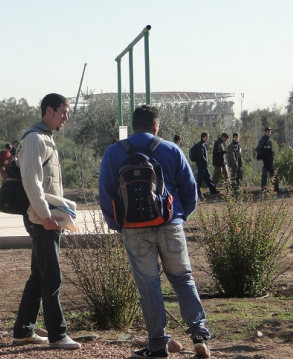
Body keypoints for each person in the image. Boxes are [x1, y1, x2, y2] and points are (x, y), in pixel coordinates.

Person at [99, 105, 212, 359]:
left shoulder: (114, 152)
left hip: (135, 230)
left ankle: (158, 345)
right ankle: (199, 335)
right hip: (170, 224)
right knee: (183, 279)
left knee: (149, 286)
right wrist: (179, 217)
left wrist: (120, 224)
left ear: (133, 125)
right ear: (155, 126)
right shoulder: (171, 149)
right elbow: (190, 190)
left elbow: (105, 194)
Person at [12, 93, 80, 350]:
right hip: (42, 220)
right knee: (51, 276)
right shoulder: (34, 140)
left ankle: (23, 331)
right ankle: (58, 334)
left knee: (39, 275)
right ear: (48, 110)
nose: (66, 117)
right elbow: (33, 182)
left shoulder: (46, 139)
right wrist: (46, 215)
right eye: (63, 111)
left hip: (46, 218)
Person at [193, 132, 220, 197]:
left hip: (203, 165)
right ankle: (196, 192)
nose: (207, 138)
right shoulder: (201, 145)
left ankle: (213, 190)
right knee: (200, 179)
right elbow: (201, 156)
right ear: (203, 137)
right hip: (202, 165)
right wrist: (205, 162)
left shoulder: (203, 144)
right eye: (207, 137)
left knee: (208, 178)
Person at [256, 127, 280, 193]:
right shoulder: (263, 140)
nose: (268, 132)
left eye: (269, 131)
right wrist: (264, 156)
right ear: (265, 132)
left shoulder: (269, 141)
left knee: (273, 174)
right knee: (265, 175)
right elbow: (258, 149)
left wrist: (271, 153)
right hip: (265, 161)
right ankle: (264, 189)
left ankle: (276, 189)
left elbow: (269, 150)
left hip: (269, 160)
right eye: (267, 131)